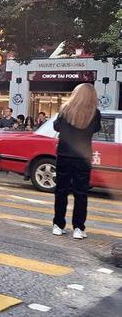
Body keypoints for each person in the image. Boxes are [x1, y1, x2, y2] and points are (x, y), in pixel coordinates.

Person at [52, 83, 101, 240]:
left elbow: (56, 127)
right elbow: (95, 129)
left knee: (61, 191)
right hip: (83, 157)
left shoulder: (64, 109)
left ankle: (58, 225)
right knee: (81, 193)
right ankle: (78, 228)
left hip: (64, 155)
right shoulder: (95, 113)